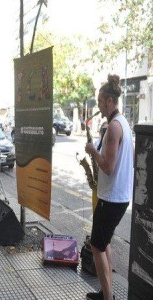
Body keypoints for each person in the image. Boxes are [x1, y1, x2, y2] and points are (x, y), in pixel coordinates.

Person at [84, 74, 134, 300]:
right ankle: (107, 292)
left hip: (111, 198)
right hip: (115, 197)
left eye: (100, 101)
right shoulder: (121, 123)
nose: (98, 106)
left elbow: (109, 167)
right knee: (105, 244)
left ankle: (108, 298)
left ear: (109, 101)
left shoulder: (113, 128)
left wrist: (93, 151)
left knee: (96, 246)